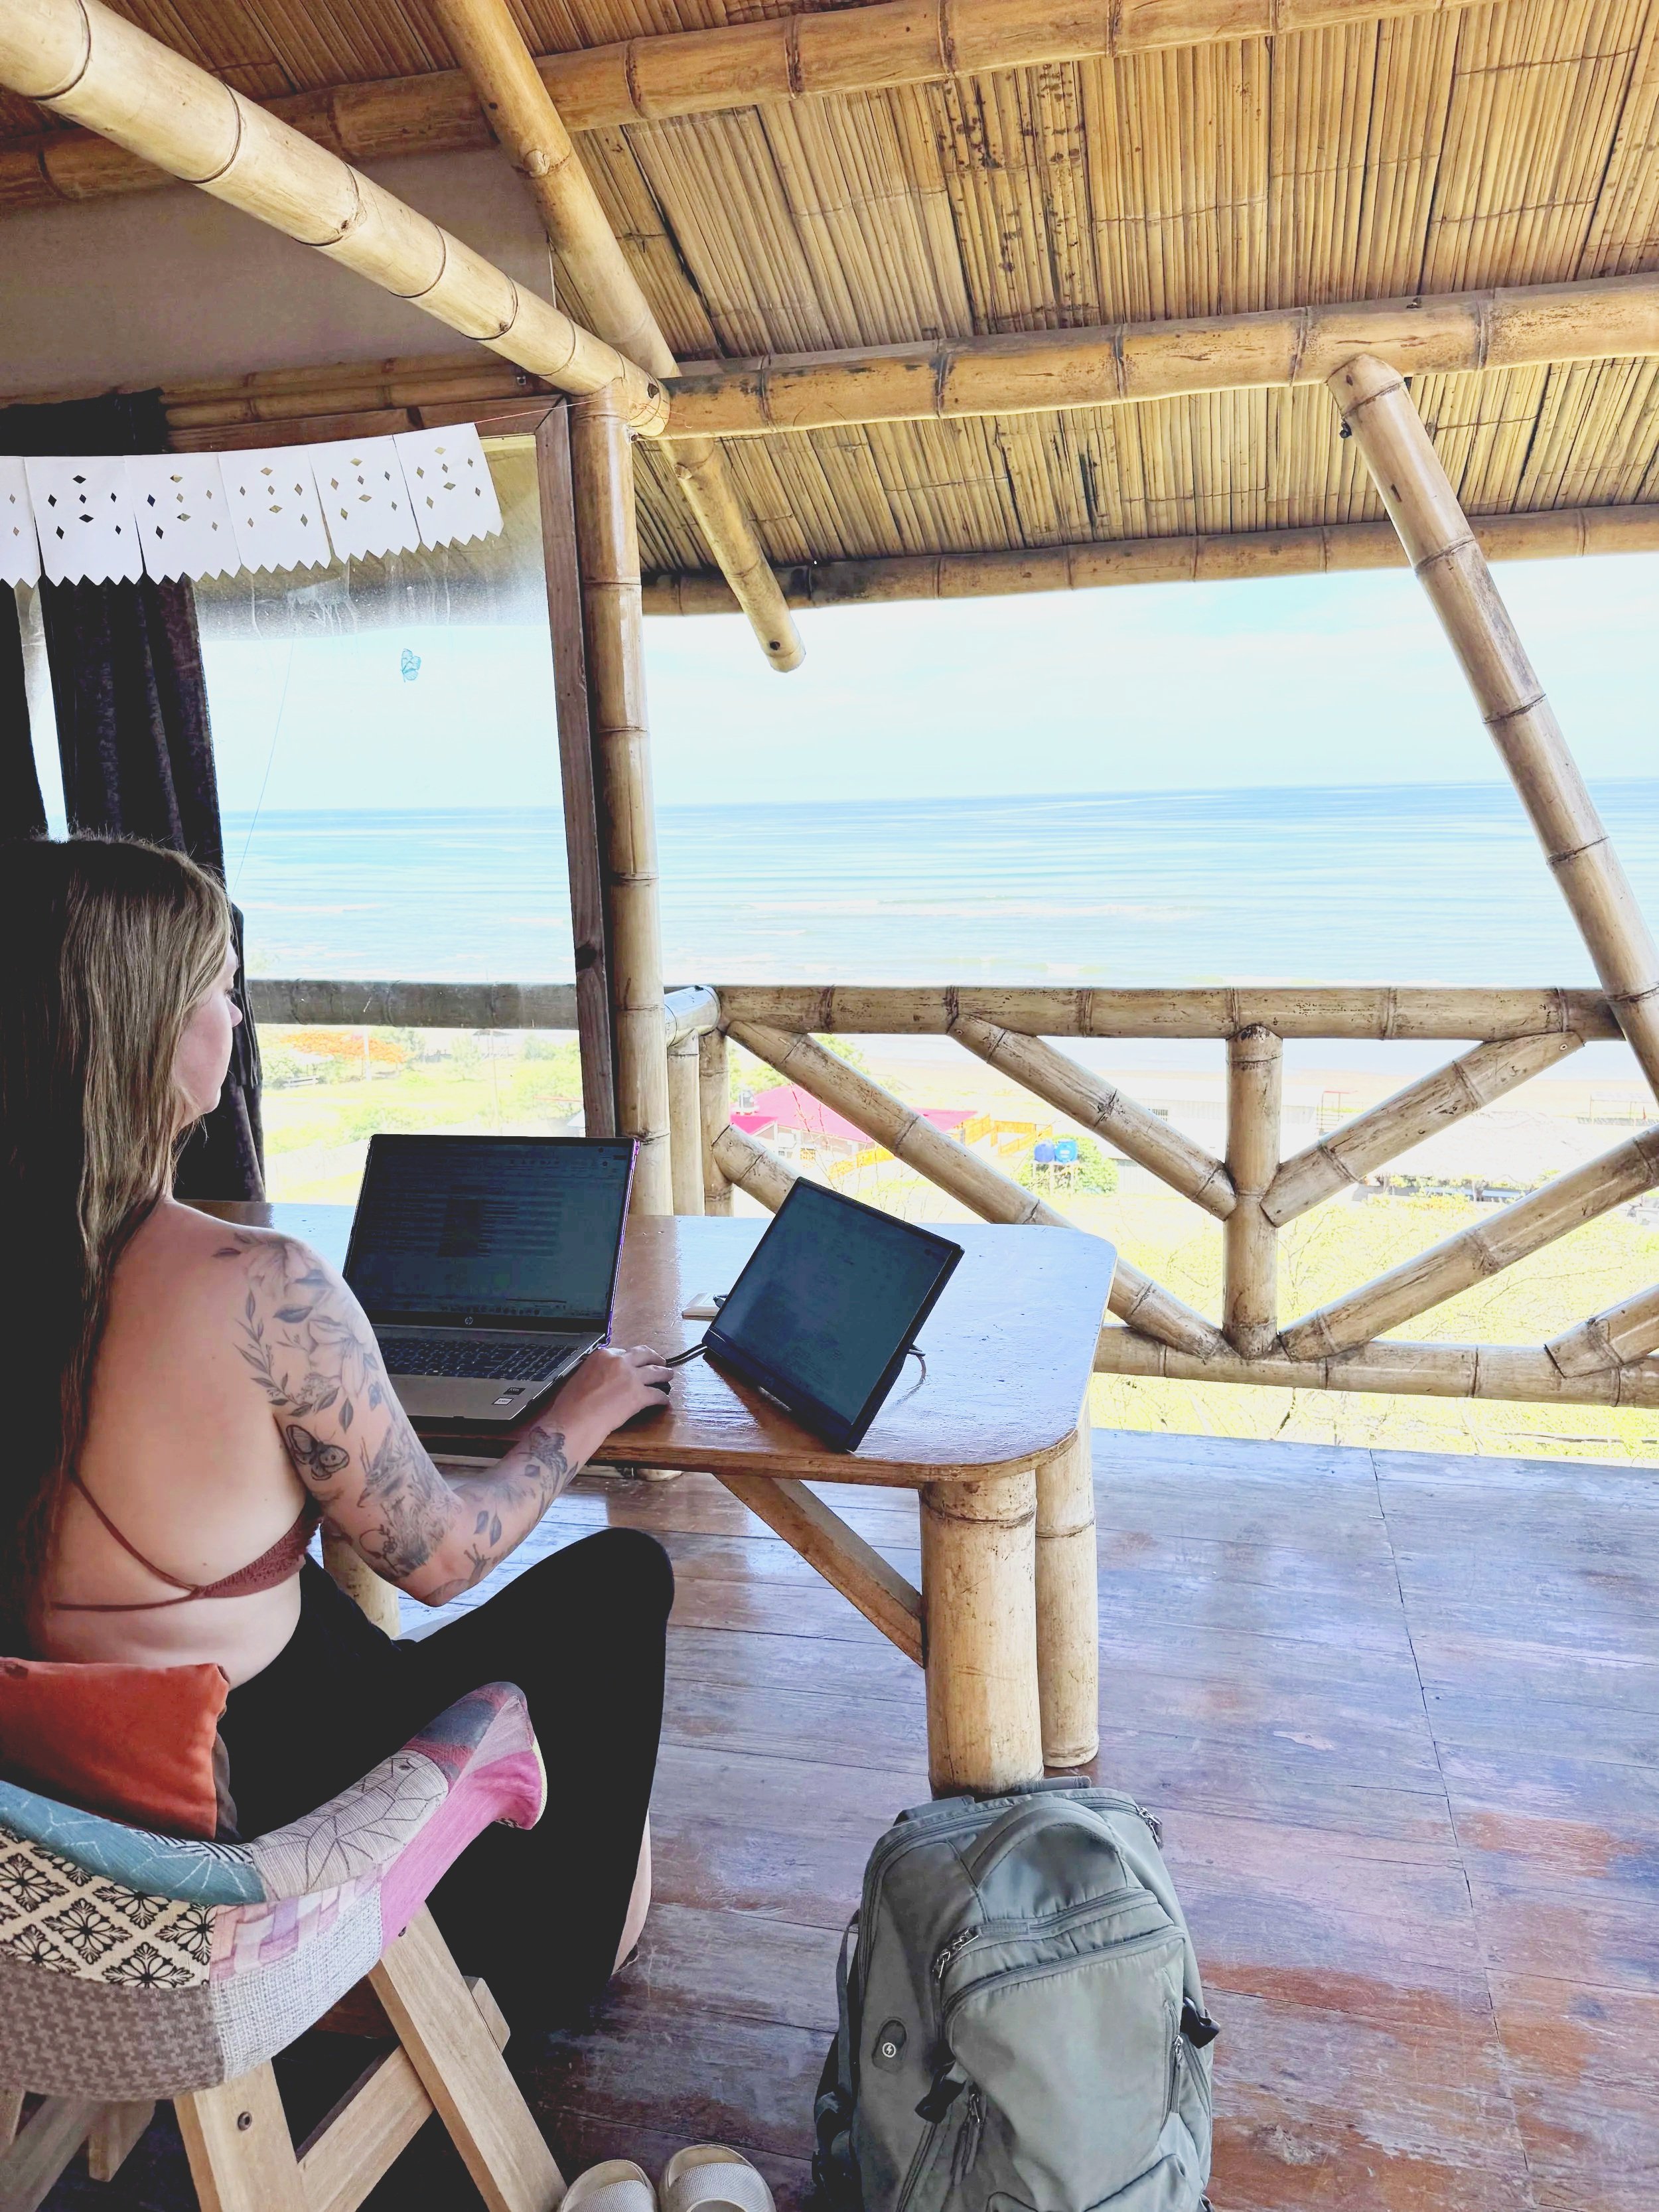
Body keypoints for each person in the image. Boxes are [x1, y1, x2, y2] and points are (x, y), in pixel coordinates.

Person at [1, 834, 674, 2030]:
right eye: (221, 985)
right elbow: (443, 1556)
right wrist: (572, 1419)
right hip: (235, 1814)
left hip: (52, 1796)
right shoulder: (261, 1289)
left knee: (330, 1613)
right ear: (155, 1028)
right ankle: (556, 1947)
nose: (237, 1014)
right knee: (623, 1576)